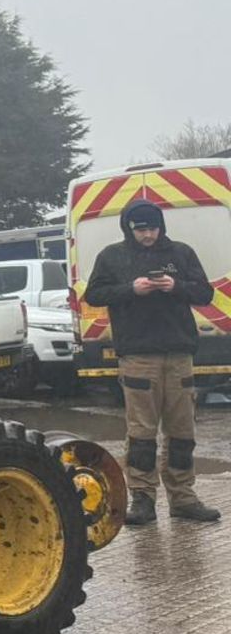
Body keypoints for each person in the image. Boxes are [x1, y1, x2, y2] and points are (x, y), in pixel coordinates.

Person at [82, 200, 218, 525]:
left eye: (153, 228)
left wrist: (176, 286)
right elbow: (94, 295)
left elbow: (205, 293)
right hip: (138, 355)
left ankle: (183, 498)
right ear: (130, 228)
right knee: (142, 433)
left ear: (161, 226)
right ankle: (143, 499)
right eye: (141, 229)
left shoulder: (181, 253)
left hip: (179, 354)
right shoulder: (112, 256)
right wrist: (130, 289)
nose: (148, 235)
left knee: (182, 431)